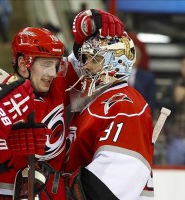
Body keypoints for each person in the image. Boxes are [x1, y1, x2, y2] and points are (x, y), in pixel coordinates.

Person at [0, 9, 124, 199]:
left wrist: (91, 26)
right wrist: (4, 150)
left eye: (56, 64)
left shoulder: (57, 84)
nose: (52, 73)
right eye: (45, 64)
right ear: (23, 63)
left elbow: (86, 61)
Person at [14, 15, 154, 200]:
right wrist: (85, 35)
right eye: (84, 58)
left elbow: (103, 191)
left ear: (115, 62)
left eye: (93, 59)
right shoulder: (93, 101)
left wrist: (52, 188)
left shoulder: (125, 106)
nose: (85, 65)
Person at [164, 56, 185, 165]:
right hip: (177, 137)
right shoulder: (174, 85)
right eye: (183, 65)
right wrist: (174, 100)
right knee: (174, 175)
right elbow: (163, 106)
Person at [128, 33, 156, 115]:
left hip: (140, 113)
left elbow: (151, 101)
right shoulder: (116, 75)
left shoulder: (148, 77)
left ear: (139, 58)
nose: (132, 57)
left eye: (135, 54)